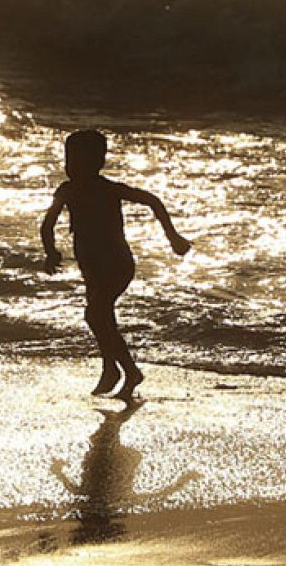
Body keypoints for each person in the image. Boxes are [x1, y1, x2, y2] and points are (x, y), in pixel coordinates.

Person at [41, 130, 190, 402]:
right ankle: (110, 369)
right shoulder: (67, 191)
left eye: (76, 160)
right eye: (68, 159)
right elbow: (47, 225)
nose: (70, 166)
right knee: (102, 317)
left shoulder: (107, 189)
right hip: (91, 265)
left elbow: (152, 200)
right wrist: (51, 253)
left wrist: (173, 237)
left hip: (116, 264)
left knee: (95, 316)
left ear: (97, 162)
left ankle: (130, 372)